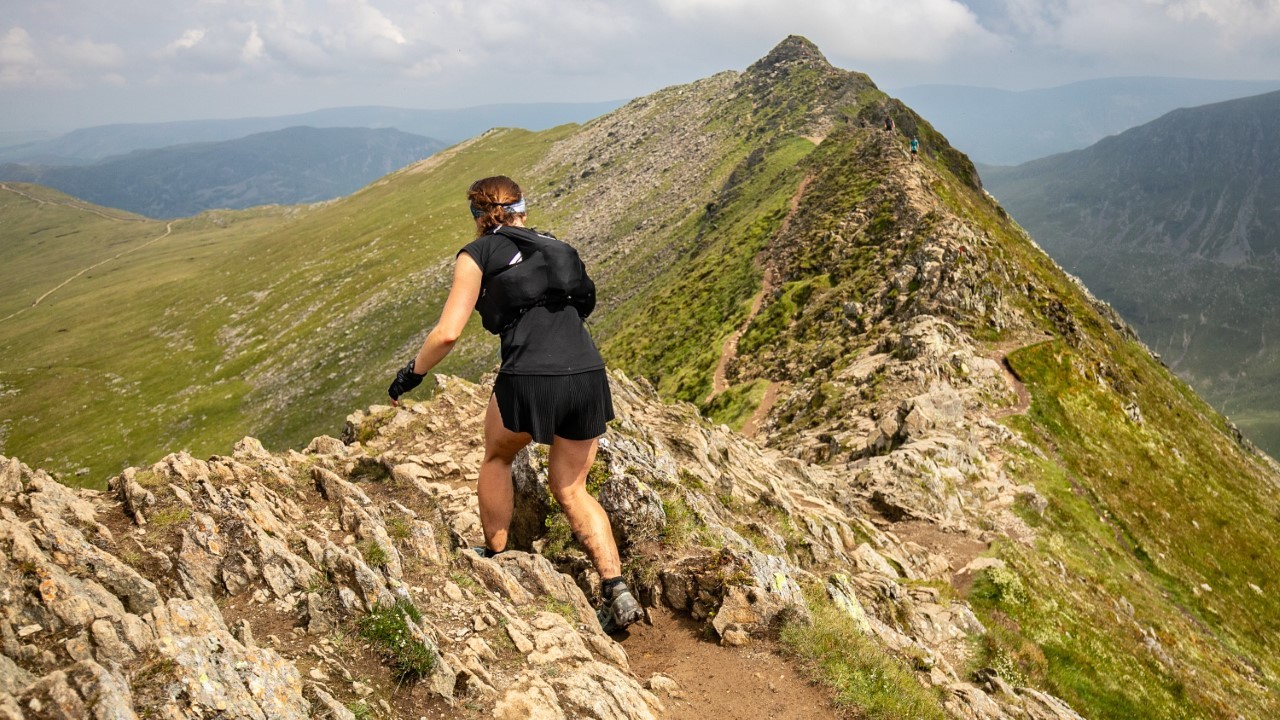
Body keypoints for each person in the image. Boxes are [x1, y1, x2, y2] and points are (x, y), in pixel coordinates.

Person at [386, 175, 642, 634]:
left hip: (528, 377)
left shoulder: (477, 254)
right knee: (572, 489)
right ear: (524, 207)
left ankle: (498, 555)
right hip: (586, 374)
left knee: (499, 454)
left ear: (477, 217)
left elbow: (447, 333)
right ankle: (616, 588)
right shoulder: (556, 245)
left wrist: (410, 376)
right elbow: (584, 302)